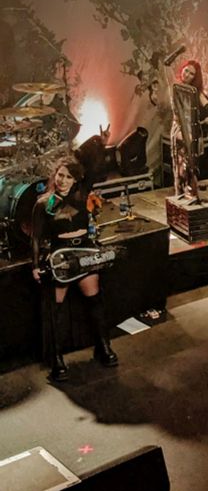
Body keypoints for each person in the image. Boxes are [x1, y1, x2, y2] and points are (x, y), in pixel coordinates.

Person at [31, 153, 118, 382]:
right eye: (60, 175)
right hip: (61, 257)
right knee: (55, 310)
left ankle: (103, 347)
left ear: (75, 180)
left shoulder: (82, 195)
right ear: (54, 176)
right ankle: (56, 359)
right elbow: (36, 239)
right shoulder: (43, 203)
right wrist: (35, 266)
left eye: (68, 177)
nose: (63, 180)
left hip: (84, 252)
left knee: (95, 301)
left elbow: (98, 164)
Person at [170, 58, 208, 199]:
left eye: (191, 74)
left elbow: (206, 103)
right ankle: (181, 194)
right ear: (182, 70)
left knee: (191, 166)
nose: (187, 75)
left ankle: (192, 194)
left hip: (192, 131)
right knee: (180, 166)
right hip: (179, 129)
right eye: (186, 71)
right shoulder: (176, 87)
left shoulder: (195, 91)